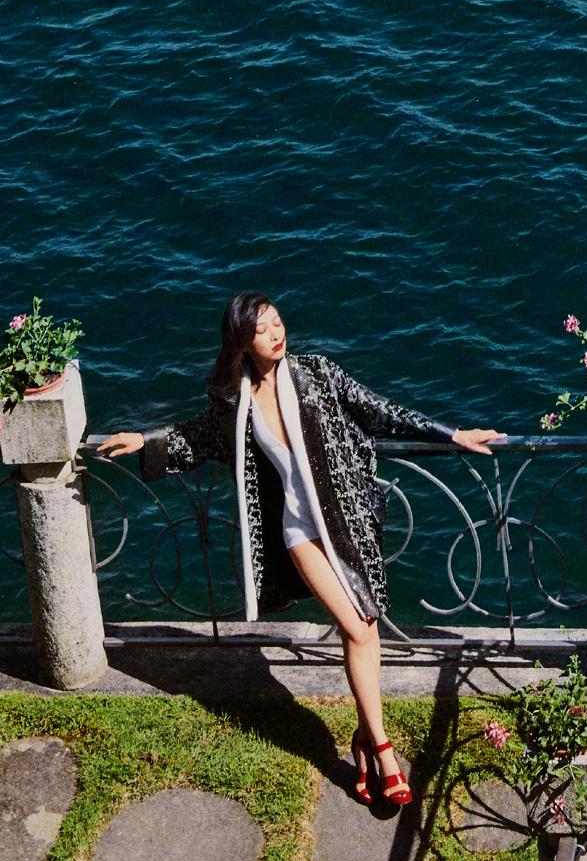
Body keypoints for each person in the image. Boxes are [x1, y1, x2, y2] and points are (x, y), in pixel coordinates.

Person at [94, 292, 505, 806]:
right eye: (264, 329)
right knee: (357, 627)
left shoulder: (316, 373)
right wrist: (146, 440)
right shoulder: (233, 401)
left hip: (348, 522)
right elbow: (201, 436)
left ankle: (362, 738)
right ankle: (381, 747)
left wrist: (452, 434)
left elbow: (379, 410)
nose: (276, 333)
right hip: (297, 529)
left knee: (366, 627)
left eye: (279, 323)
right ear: (242, 342)